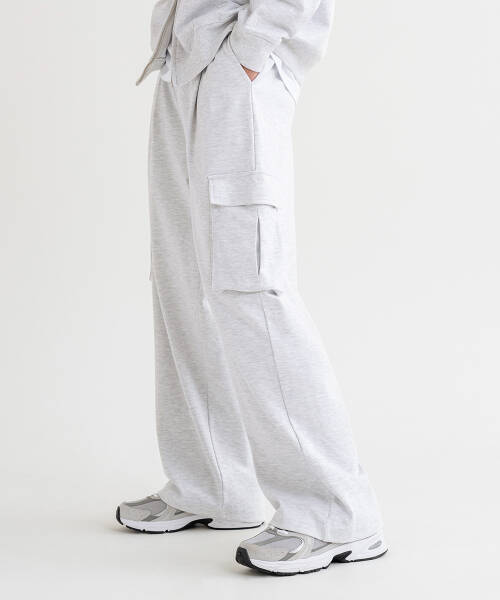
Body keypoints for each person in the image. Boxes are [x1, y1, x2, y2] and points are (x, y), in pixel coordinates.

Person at [116, 0, 387, 576]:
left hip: (238, 66)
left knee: (250, 285)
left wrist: (251, 47)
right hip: (183, 62)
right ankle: (214, 484)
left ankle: (337, 512)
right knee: (181, 279)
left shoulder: (243, 59)